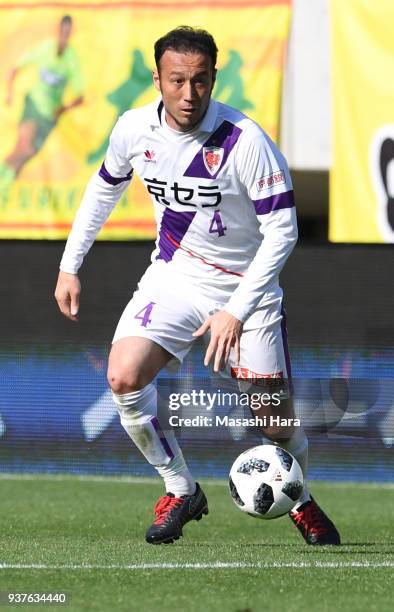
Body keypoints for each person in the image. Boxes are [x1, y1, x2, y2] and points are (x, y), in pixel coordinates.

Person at [54, 26, 340, 546]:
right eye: (178, 81)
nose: (189, 95)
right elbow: (102, 192)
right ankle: (180, 488)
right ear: (158, 78)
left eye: (201, 81)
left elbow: (284, 230)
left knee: (273, 422)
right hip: (175, 276)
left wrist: (235, 309)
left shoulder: (245, 140)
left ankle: (299, 498)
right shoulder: (134, 129)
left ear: (215, 77)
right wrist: (70, 266)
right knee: (122, 377)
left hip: (245, 291)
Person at [0, 15, 84, 187]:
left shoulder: (71, 59)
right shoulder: (45, 49)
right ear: (58, 30)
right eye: (62, 31)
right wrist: (9, 92)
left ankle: (5, 186)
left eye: (67, 33)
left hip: (50, 116)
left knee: (26, 156)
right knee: (24, 147)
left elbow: (80, 97)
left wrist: (63, 108)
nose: (64, 36)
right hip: (34, 104)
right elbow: (16, 67)